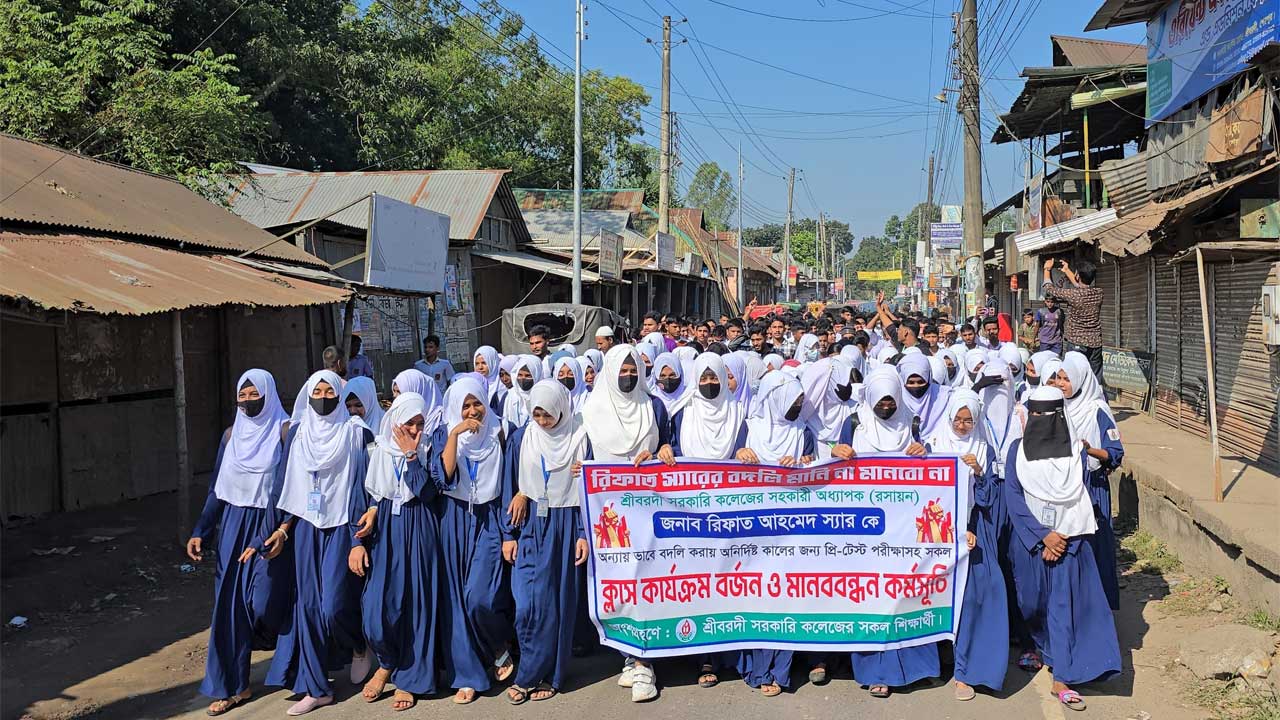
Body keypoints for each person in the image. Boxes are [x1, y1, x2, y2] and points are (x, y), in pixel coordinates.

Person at [1003, 386, 1121, 711]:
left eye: (1048, 413)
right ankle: (1039, 646)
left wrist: (1060, 538)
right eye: (1035, 413)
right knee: (1031, 602)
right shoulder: (1016, 450)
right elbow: (1013, 496)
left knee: (1063, 605)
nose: (1041, 419)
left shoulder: (1076, 453)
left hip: (1069, 544)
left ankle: (1063, 675)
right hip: (1030, 544)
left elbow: (1078, 498)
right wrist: (1043, 536)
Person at [188, 370, 295, 717]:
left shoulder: (284, 431)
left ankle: (296, 659)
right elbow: (217, 488)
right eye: (243, 396)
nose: (249, 402)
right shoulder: (230, 436)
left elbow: (288, 483)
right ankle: (233, 686)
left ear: (269, 393)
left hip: (268, 524)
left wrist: (279, 528)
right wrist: (201, 530)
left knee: (263, 601)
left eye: (255, 395)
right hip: (233, 526)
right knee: (229, 609)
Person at [266, 370, 371, 716]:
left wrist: (359, 532)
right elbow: (287, 483)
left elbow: (366, 486)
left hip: (342, 525)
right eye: (317, 390)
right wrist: (283, 528)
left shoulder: (356, 432)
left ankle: (358, 644)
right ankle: (316, 687)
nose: (323, 397)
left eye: (330, 390)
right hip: (307, 527)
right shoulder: (297, 434)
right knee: (308, 608)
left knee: (333, 606)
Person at [830, 368, 934, 699]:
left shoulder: (912, 422)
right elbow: (832, 461)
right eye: (881, 400)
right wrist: (836, 452)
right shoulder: (855, 423)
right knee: (872, 596)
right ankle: (875, 670)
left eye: (892, 399)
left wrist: (923, 453)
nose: (887, 405)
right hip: (865, 529)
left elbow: (933, 468)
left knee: (907, 593)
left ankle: (916, 667)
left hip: (905, 528)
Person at [581, 344, 676, 702]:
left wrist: (663, 453)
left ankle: (643, 663)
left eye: (633, 369)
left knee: (645, 582)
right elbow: (584, 466)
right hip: (607, 519)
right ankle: (630, 655)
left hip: (647, 514)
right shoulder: (589, 412)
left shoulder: (653, 407)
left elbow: (669, 447)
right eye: (621, 370)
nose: (628, 376)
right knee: (618, 585)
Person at [350, 391, 445, 712]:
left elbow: (428, 492)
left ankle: (410, 679)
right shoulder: (378, 450)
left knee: (417, 605)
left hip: (421, 527)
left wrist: (411, 455)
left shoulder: (430, 449)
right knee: (377, 607)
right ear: (395, 424)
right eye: (409, 425)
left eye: (420, 424)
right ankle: (387, 661)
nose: (416, 431)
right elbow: (376, 492)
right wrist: (374, 512)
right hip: (388, 532)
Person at [504, 381, 592, 704]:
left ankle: (546, 675)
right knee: (527, 603)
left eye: (548, 414)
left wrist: (583, 533)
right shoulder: (521, 438)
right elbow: (508, 486)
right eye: (537, 413)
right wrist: (508, 534)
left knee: (557, 603)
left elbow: (589, 489)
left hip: (567, 523)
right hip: (531, 525)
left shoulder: (581, 438)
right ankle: (530, 669)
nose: (543, 421)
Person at [734, 371, 815, 697]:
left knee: (785, 597)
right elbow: (724, 475)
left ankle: (780, 671)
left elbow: (814, 472)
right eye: (793, 401)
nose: (798, 406)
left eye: (800, 401)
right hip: (752, 531)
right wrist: (739, 456)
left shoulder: (802, 433)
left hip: (790, 532)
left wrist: (806, 462)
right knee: (755, 597)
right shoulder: (749, 429)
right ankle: (756, 665)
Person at [924, 389, 1007, 700]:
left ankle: (968, 672)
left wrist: (979, 471)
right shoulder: (935, 445)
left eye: (968, 420)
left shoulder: (982, 448)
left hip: (975, 531)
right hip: (936, 532)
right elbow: (925, 495)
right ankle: (937, 662)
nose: (961, 426)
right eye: (957, 419)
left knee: (980, 595)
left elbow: (988, 500)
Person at [437, 376, 514, 704]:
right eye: (465, 406)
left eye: (477, 403)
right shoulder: (444, 433)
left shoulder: (501, 431)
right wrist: (455, 434)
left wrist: (508, 531)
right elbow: (444, 477)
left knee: (478, 597)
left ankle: (500, 645)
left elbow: (511, 478)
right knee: (457, 601)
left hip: (489, 519)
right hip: (455, 520)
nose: (472, 411)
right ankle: (468, 675)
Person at [1056, 352, 1124, 610]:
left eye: (1066, 379)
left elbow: (1115, 453)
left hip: (1091, 487)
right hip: (1064, 487)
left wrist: (1088, 449)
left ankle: (1100, 607)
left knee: (1096, 546)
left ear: (1082, 381)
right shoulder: (1057, 407)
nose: (1061, 384)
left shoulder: (1097, 410)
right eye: (1058, 378)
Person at [1042, 258, 1104, 378]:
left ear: (1078, 276)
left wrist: (1047, 269)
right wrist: (1067, 270)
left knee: (1073, 377)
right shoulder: (1099, 293)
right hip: (1095, 343)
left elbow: (1049, 289)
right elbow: (1081, 286)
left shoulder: (1073, 295)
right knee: (1095, 378)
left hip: (1077, 343)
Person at [898, 354, 952, 441]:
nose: (916, 386)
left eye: (921, 382)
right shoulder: (897, 399)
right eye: (911, 382)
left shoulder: (945, 396)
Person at [501, 355, 544, 436]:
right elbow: (505, 420)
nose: (523, 379)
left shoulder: (542, 396)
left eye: (528, 376)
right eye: (520, 375)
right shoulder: (511, 395)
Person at [649, 352, 692, 417]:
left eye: (672, 375)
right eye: (662, 376)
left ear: (680, 374)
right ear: (656, 377)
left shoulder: (689, 397)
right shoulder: (650, 400)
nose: (668, 380)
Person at [473, 346, 504, 417]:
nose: (480, 367)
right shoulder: (474, 383)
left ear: (493, 362)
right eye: (477, 364)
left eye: (484, 363)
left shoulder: (503, 383)